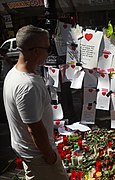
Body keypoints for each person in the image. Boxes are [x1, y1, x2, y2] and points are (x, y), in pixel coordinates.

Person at [3, 25, 68, 180]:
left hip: (25, 150)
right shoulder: (28, 85)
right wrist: (50, 157)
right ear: (36, 51)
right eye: (48, 48)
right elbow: (35, 129)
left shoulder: (13, 73)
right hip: (38, 155)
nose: (49, 52)